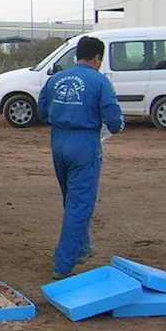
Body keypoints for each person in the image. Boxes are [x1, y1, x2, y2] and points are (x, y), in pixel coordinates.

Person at [38, 35, 125, 279]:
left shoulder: (56, 78)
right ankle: (63, 264)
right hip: (84, 143)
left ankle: (82, 247)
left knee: (72, 199)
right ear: (98, 58)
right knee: (80, 205)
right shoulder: (99, 81)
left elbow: (41, 110)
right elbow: (114, 121)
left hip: (58, 141)